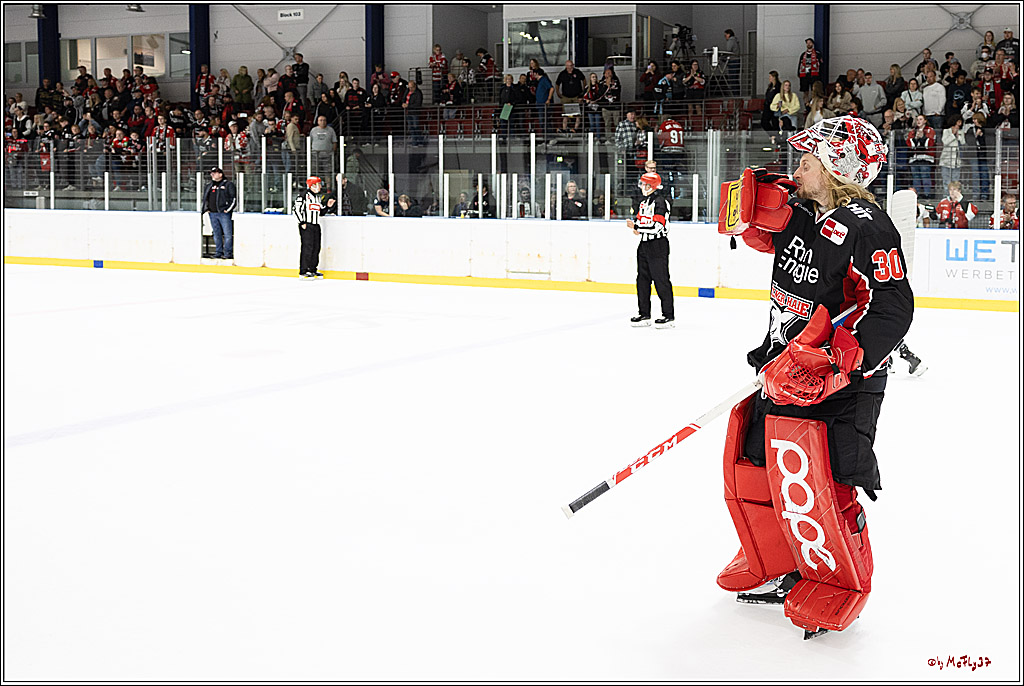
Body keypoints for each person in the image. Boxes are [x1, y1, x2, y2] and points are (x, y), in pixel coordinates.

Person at [715, 116, 913, 638]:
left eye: (807, 162)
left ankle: (836, 581)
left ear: (836, 168)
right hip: (781, 370)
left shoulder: (867, 227)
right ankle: (776, 559)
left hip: (838, 386)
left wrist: (840, 360)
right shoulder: (806, 213)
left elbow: (892, 308)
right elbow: (773, 240)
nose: (796, 170)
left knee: (823, 481)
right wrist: (751, 218)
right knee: (757, 464)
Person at [626, 171, 673, 328]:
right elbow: (640, 222)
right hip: (644, 245)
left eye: (644, 184)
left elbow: (657, 227)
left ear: (651, 186)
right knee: (642, 280)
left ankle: (668, 316)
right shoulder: (643, 203)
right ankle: (644, 314)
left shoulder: (660, 203)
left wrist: (637, 227)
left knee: (661, 280)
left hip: (657, 245)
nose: (641, 187)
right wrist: (637, 227)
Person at [292, 176, 336, 278]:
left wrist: (328, 206)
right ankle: (303, 271)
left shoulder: (317, 197)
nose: (320, 186)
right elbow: (296, 209)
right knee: (307, 248)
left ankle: (312, 269)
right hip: (307, 225)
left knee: (316, 248)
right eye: (318, 184)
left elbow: (320, 212)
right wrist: (302, 222)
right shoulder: (303, 196)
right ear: (312, 185)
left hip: (316, 225)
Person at [201, 167, 237, 260]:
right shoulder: (209, 185)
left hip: (224, 214)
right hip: (212, 213)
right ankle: (218, 252)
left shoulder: (228, 184)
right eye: (211, 173)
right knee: (216, 234)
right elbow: (205, 198)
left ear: (220, 174)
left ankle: (228, 253)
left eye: (215, 173)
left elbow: (233, 199)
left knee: (227, 234)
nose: (212, 174)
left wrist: (227, 210)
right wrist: (207, 208)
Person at [907, 114, 936, 199]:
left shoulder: (930, 130)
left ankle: (927, 194)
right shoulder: (913, 131)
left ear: (925, 121)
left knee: (925, 176)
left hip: (926, 157)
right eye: (917, 119)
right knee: (916, 177)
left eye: (920, 119)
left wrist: (923, 138)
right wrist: (916, 139)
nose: (918, 121)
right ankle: (917, 194)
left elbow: (930, 144)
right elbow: (910, 144)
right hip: (915, 158)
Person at [556, 60, 585, 134]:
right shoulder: (562, 74)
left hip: (576, 96)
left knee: (577, 113)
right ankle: (564, 128)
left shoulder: (577, 72)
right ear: (566, 66)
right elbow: (557, 83)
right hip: (566, 97)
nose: (571, 67)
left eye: (572, 65)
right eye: (569, 66)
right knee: (565, 114)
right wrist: (558, 92)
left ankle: (575, 128)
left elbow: (584, 79)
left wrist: (583, 91)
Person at [797, 38, 824, 103]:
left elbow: (821, 65)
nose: (808, 44)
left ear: (813, 44)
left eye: (810, 43)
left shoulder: (817, 54)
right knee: (805, 92)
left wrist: (820, 75)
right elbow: (800, 64)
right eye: (807, 43)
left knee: (814, 91)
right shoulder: (803, 54)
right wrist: (799, 74)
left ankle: (813, 104)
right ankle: (806, 104)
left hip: (814, 75)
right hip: (804, 75)